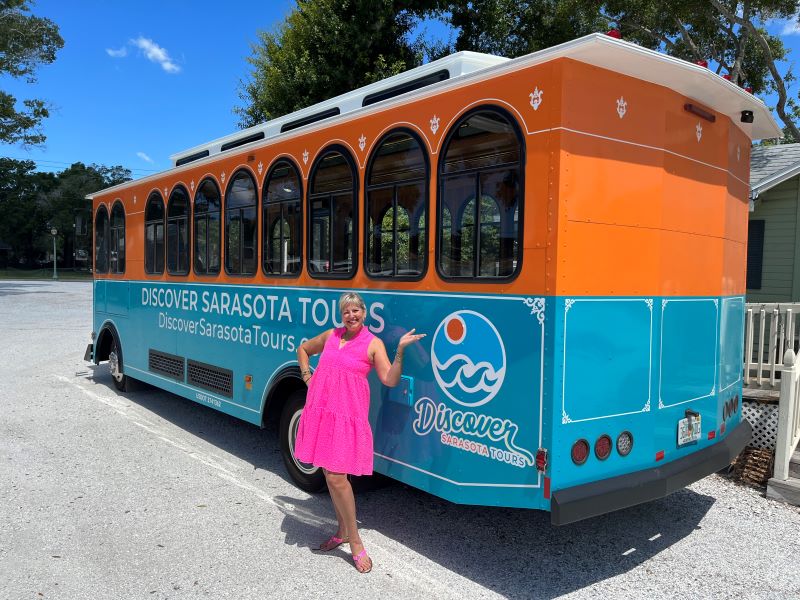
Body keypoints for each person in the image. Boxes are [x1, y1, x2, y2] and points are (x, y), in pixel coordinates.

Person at [294, 291, 425, 574]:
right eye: (346, 312)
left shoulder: (373, 344)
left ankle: (354, 540)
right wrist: (308, 377)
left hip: (347, 417)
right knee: (330, 474)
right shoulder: (331, 335)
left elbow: (390, 379)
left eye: (356, 311)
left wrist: (400, 350)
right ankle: (342, 531)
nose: (351, 316)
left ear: (364, 314)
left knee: (338, 477)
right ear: (342, 315)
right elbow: (303, 350)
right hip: (323, 411)